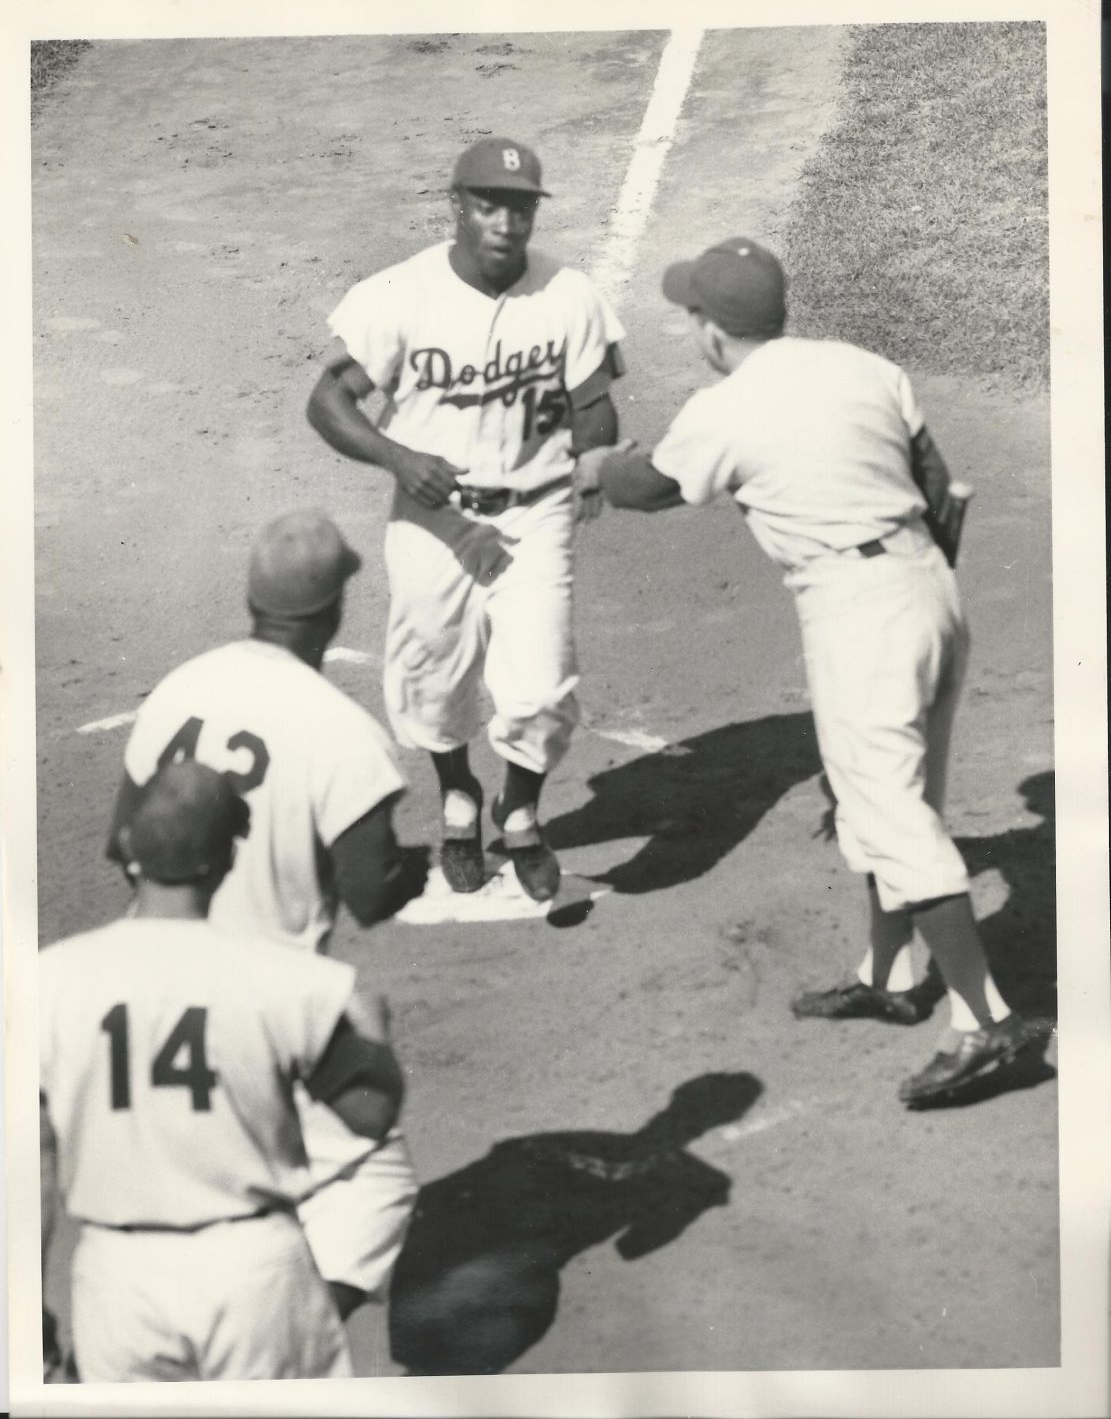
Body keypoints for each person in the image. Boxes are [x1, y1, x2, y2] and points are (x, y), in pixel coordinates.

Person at [584, 236, 1049, 1106]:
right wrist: (925, 588)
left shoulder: (724, 408)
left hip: (858, 614)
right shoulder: (862, 366)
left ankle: (985, 1021)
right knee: (888, 800)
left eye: (692, 314)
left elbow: (648, 486)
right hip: (928, 588)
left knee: (893, 816)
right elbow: (935, 476)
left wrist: (596, 468)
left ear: (712, 329)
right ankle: (886, 970)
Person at [105, 509, 424, 1319]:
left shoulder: (180, 687)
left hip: (147, 990)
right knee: (374, 1185)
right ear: (333, 609)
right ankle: (271, 1347)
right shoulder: (343, 733)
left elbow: (121, 842)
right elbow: (370, 893)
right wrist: (411, 868)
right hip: (269, 1014)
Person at [306, 136, 625, 902]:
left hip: (535, 518)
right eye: (490, 205)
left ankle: (520, 811)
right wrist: (396, 457)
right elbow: (326, 402)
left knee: (541, 691)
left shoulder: (568, 295)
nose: (506, 224)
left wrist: (591, 461)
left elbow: (594, 407)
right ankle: (459, 795)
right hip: (433, 520)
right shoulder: (400, 295)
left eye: (519, 208)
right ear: (457, 206)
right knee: (432, 679)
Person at [42, 761, 405, 1381]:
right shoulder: (285, 978)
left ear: (128, 847)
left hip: (116, 1282)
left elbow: (34, 1158)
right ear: (226, 861)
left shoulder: (44, 981)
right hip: (252, 1275)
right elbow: (369, 1113)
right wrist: (372, 1034)